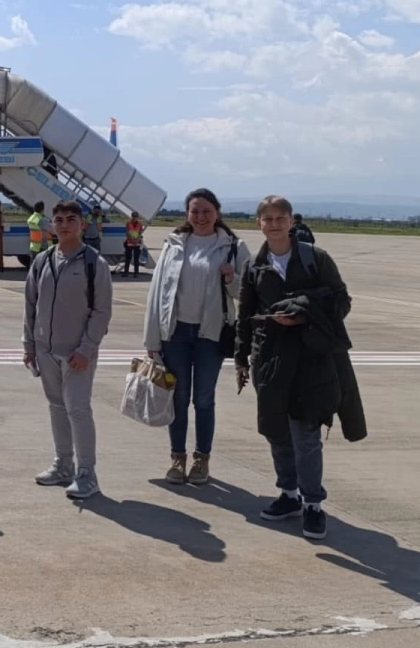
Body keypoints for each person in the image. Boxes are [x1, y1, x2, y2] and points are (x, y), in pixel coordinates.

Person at [235, 196, 365, 542]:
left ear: (291, 221)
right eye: (267, 219)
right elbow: (245, 315)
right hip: (270, 360)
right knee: (277, 431)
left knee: (305, 435)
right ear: (258, 223)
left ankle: (313, 504)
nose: (274, 224)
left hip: (311, 360)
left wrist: (305, 315)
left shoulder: (315, 258)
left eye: (280, 218)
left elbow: (342, 300)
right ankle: (289, 494)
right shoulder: (254, 266)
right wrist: (241, 358)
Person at [143, 188, 250, 485]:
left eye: (206, 211)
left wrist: (231, 278)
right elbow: (157, 293)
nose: (200, 217)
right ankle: (177, 458)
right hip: (175, 333)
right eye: (195, 211)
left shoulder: (233, 246)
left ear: (217, 213)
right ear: (187, 214)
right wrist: (151, 339)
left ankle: (202, 459)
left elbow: (248, 293)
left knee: (203, 399)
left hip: (210, 335)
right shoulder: (174, 244)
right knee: (177, 398)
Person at [24, 199, 113, 500]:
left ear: (82, 225)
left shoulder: (94, 263)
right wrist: (29, 344)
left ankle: (87, 474)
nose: (64, 225)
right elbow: (30, 305)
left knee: (78, 408)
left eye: (70, 220)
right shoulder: (42, 261)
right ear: (52, 224)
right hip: (46, 350)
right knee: (57, 407)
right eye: (58, 220)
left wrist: (86, 349)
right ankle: (63, 464)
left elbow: (102, 311)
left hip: (77, 353)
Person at [123, 211, 145, 277]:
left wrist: (137, 239)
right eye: (133, 216)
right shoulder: (128, 223)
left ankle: (136, 273)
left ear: (137, 217)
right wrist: (132, 240)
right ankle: (126, 272)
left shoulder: (140, 224)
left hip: (137, 243)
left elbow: (140, 233)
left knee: (136, 259)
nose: (135, 218)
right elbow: (127, 233)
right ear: (132, 216)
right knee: (128, 258)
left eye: (136, 217)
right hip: (129, 242)